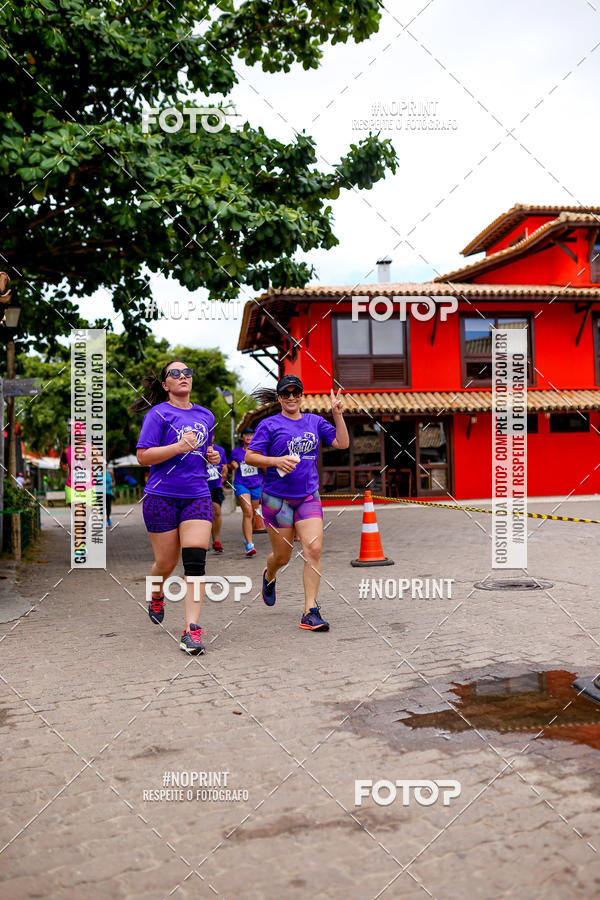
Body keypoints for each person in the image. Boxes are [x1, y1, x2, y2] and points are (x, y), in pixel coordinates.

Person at [131, 360, 221, 655]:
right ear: (165, 384)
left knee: (195, 559)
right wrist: (177, 447)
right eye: (175, 374)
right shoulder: (158, 414)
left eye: (187, 373)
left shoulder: (206, 415)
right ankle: (156, 592)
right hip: (161, 496)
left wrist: (212, 456)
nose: (183, 377)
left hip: (197, 495)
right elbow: (143, 457)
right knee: (166, 563)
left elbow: (209, 450)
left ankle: (191, 630)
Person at [245, 375, 348, 631]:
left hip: (308, 497)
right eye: (286, 393)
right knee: (283, 557)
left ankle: (310, 611)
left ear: (302, 395)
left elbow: (342, 443)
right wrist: (275, 461)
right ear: (279, 397)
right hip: (276, 500)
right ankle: (269, 575)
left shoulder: (314, 421)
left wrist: (337, 415)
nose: (291, 397)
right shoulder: (269, 425)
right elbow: (250, 456)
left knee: (313, 549)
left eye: (296, 393)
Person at [228, 427, 263, 557]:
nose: (248, 437)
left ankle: (248, 538)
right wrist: (233, 464)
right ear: (242, 437)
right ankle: (249, 544)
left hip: (256, 485)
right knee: (247, 511)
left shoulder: (259, 451)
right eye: (246, 435)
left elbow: (264, 467)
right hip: (241, 485)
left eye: (251, 435)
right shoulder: (236, 452)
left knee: (253, 513)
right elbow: (230, 463)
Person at [207, 443, 228, 552]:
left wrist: (224, 471)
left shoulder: (220, 449)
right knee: (203, 513)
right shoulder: (195, 448)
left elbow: (224, 465)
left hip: (216, 485)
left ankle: (216, 540)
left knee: (217, 510)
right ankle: (203, 541)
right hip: (200, 485)